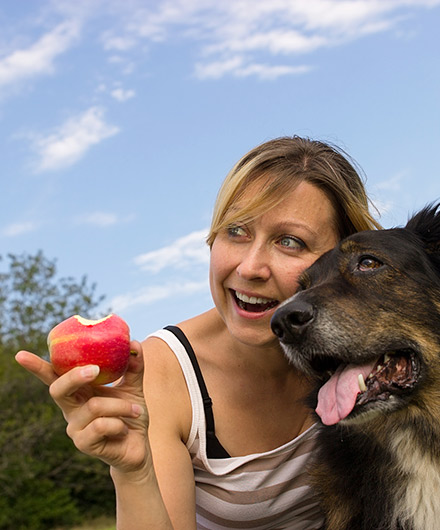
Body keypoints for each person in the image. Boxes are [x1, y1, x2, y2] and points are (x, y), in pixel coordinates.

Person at [16, 136, 381, 530]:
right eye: (236, 231)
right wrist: (133, 471)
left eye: (289, 242)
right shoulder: (164, 371)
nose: (250, 267)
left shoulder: (376, 352)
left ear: (347, 258)